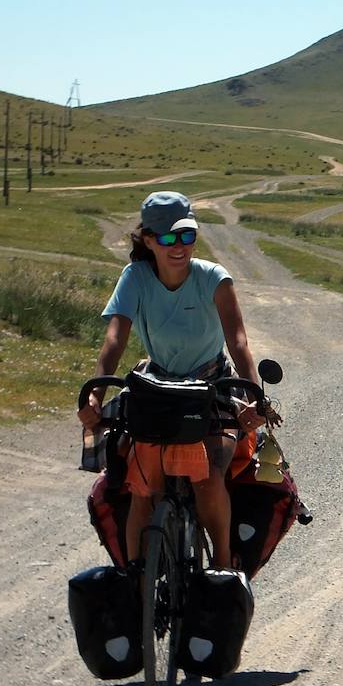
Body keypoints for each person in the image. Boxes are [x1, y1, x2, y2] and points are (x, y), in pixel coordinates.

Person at [78, 191, 263, 569]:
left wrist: (254, 396)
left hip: (211, 388)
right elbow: (115, 339)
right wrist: (95, 393)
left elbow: (238, 341)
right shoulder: (135, 278)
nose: (178, 247)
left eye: (186, 236)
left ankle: (224, 568)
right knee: (143, 488)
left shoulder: (214, 279)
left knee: (209, 476)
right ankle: (133, 580)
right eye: (166, 239)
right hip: (157, 388)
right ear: (148, 240)